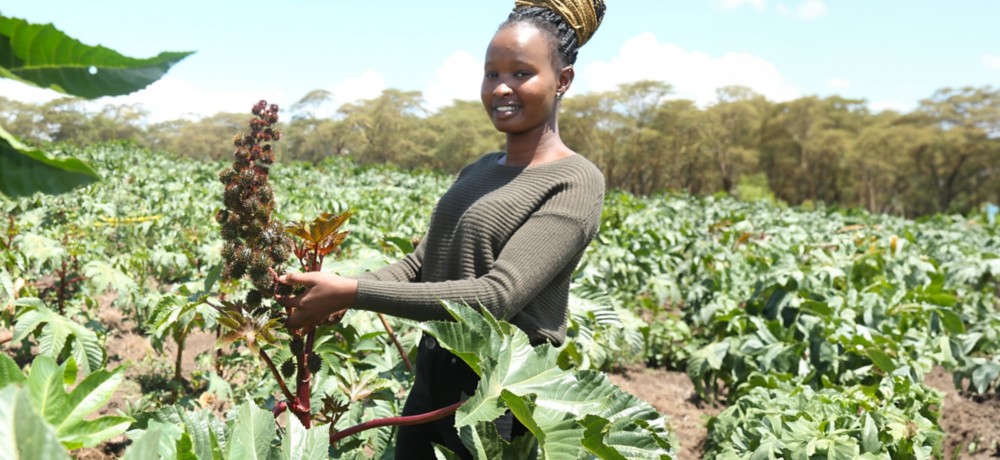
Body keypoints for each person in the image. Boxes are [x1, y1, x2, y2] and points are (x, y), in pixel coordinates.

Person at [276, 0, 607, 457]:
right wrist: (337, 294)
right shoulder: (478, 169)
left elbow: (497, 297)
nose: (501, 88)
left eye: (521, 73)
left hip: (497, 395)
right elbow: (420, 264)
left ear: (563, 80)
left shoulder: (575, 180)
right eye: (492, 74)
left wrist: (353, 292)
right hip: (433, 378)